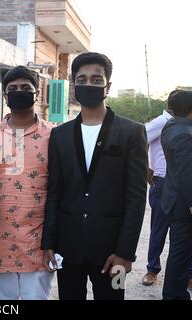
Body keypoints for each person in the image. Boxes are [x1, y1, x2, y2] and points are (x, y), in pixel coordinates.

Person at [41, 52, 148, 300]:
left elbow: (136, 198)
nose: (88, 84)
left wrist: (126, 252)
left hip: (114, 251)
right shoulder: (60, 135)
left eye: (96, 79)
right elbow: (55, 191)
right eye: (82, 79)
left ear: (107, 86)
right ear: (74, 85)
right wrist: (48, 243)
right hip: (68, 248)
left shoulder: (132, 132)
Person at [0, 66, 54, 300]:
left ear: (37, 94)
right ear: (4, 96)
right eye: (12, 89)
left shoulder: (54, 136)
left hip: (39, 242)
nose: (19, 92)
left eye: (26, 88)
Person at [142, 90, 192, 291]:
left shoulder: (175, 125)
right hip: (166, 187)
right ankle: (153, 270)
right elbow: (139, 137)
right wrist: (145, 167)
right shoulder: (169, 126)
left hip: (173, 186)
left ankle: (187, 278)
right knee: (160, 232)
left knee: (180, 244)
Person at [161, 90, 192, 300]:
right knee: (180, 256)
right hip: (185, 207)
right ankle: (174, 296)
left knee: (180, 255)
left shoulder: (172, 126)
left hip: (177, 203)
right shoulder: (185, 134)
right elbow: (189, 178)